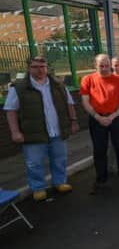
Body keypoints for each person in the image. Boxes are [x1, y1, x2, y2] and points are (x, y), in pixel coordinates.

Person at [4, 56, 78, 201]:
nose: (40, 70)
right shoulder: (19, 87)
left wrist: (74, 121)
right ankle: (38, 188)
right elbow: (10, 110)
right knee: (34, 162)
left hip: (57, 130)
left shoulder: (57, 84)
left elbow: (69, 104)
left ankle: (60, 182)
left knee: (59, 159)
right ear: (28, 68)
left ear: (47, 68)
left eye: (42, 67)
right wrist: (15, 132)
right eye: (35, 67)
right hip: (33, 133)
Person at [80, 54, 119, 193]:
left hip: (117, 118)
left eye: (106, 65)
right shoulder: (87, 79)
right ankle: (101, 179)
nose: (104, 68)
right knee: (99, 150)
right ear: (95, 65)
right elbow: (85, 101)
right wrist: (98, 117)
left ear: (110, 64)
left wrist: (113, 116)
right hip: (97, 119)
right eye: (101, 66)